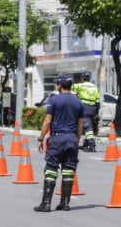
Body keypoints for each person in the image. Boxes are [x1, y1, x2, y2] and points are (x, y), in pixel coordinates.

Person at [34, 73, 84, 212]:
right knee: (68, 170)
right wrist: (77, 139)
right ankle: (65, 203)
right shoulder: (78, 102)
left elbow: (48, 121)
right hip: (72, 138)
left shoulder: (54, 100)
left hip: (57, 138)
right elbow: (81, 125)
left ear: (60, 85)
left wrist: (40, 138)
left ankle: (46, 203)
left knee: (51, 169)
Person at [71, 72, 100, 152]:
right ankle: (86, 144)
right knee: (88, 126)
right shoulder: (94, 87)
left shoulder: (80, 85)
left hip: (84, 108)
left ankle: (92, 145)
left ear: (82, 78)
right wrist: (96, 112)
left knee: (87, 127)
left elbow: (71, 87)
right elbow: (98, 101)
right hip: (93, 108)